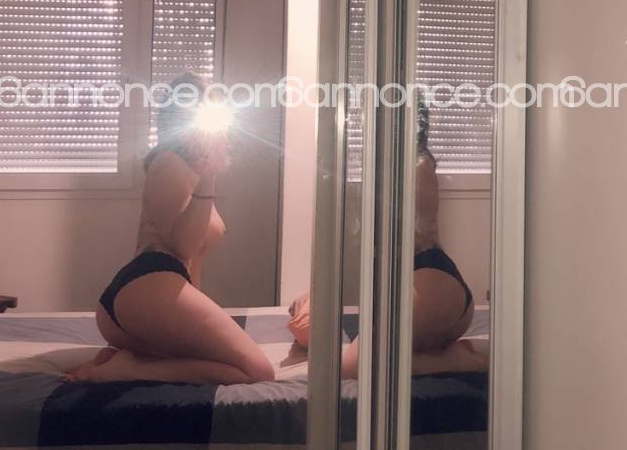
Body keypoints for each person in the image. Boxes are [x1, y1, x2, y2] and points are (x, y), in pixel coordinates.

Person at [66, 75, 275, 385]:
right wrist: (209, 178)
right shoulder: (169, 163)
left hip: (150, 297)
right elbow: (183, 247)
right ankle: (126, 371)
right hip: (148, 287)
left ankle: (125, 358)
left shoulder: (189, 170)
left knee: (222, 359)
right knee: (257, 372)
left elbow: (191, 263)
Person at [287, 96, 486, 376]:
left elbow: (412, 236)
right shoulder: (389, 166)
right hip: (425, 288)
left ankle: (458, 361)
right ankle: (433, 351)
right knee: (320, 334)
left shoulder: (416, 164)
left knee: (350, 367)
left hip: (431, 282)